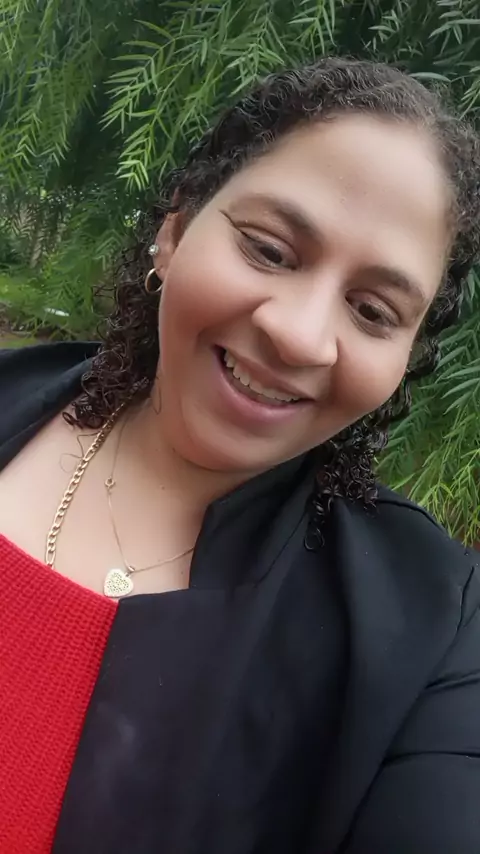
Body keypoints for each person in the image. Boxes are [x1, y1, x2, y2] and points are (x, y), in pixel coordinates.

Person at [0, 56, 479, 854]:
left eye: (372, 310)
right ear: (174, 231)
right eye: (270, 250)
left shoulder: (434, 632)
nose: (299, 335)